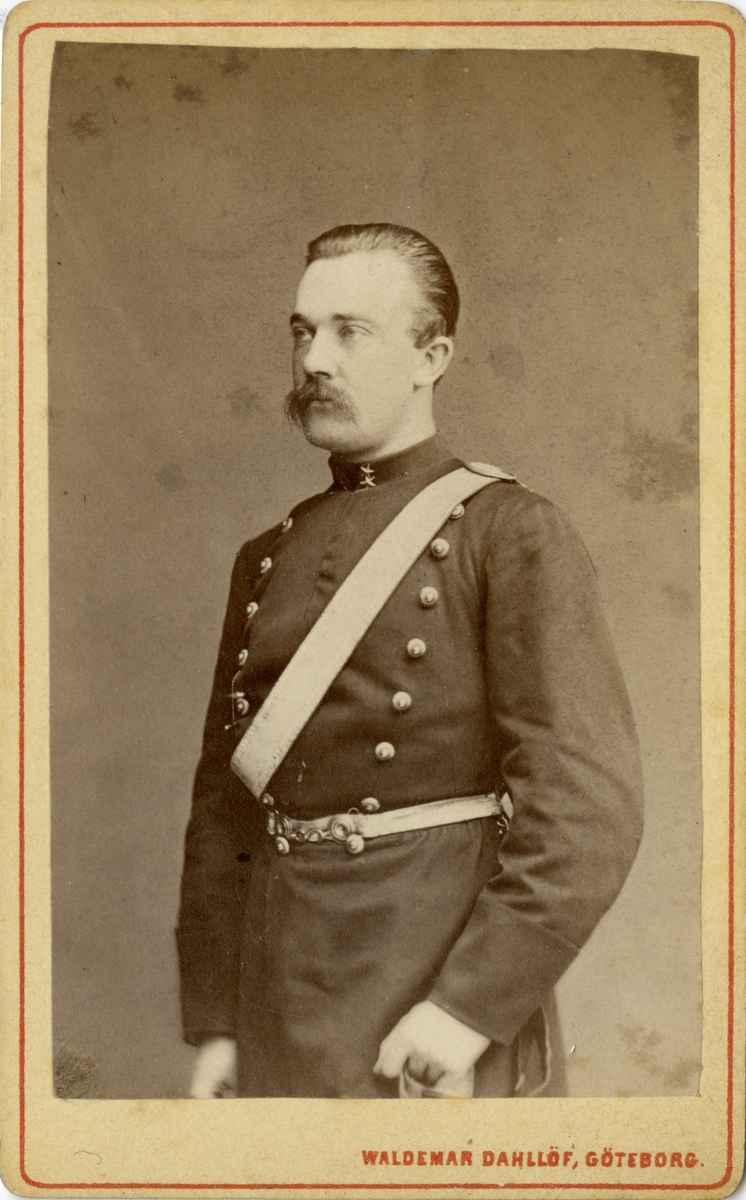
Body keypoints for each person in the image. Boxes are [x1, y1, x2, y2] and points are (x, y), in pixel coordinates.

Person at [176, 223, 644, 1100]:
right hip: (273, 996)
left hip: (425, 999)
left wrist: (469, 1007)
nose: (314, 359)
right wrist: (218, 1025)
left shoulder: (510, 533)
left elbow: (586, 811)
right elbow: (223, 812)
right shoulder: (265, 558)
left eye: (350, 332)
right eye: (303, 331)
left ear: (433, 356)